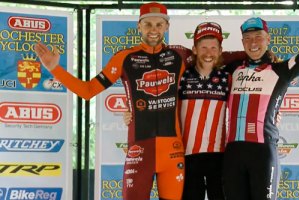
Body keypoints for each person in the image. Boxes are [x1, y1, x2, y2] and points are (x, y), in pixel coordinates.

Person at [35, 2, 193, 200]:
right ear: (139, 26)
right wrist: (55, 69)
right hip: (140, 151)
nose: (154, 30)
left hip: (173, 152)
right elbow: (88, 90)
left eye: (159, 25)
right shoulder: (125, 58)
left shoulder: (180, 55)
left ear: (167, 27)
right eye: (148, 25)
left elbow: (215, 58)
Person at [222, 0, 299, 199]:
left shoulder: (282, 70)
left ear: (268, 39)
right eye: (247, 38)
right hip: (233, 154)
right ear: (242, 42)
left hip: (263, 154)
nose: (253, 43)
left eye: (258, 37)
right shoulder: (232, 69)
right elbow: (203, 57)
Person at [179, 22, 229, 200]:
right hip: (188, 154)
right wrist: (132, 112)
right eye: (204, 47)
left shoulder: (228, 77)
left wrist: (275, 112)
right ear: (194, 49)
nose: (209, 53)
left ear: (220, 50)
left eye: (214, 48)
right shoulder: (182, 75)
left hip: (219, 155)